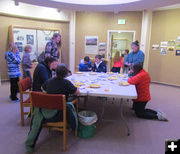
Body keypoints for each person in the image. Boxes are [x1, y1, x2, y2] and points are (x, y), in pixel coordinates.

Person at [25, 65, 80, 153]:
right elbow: (77, 92)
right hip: (58, 115)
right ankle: (75, 128)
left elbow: (42, 88)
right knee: (70, 106)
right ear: (66, 74)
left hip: (45, 112)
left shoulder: (49, 81)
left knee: (66, 105)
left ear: (56, 73)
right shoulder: (66, 83)